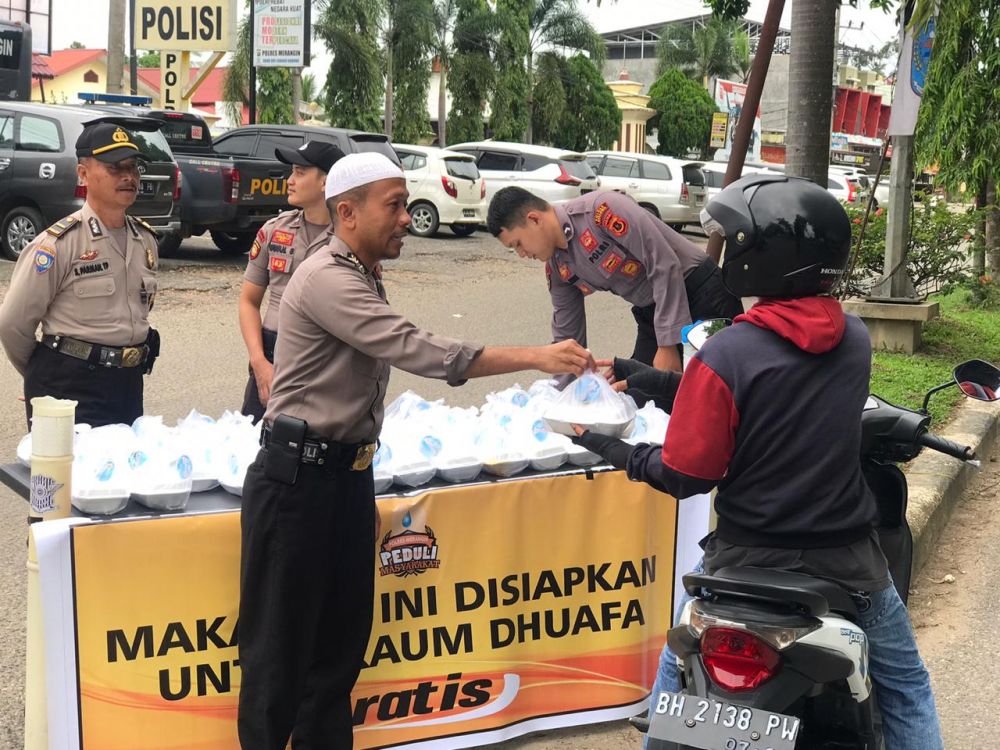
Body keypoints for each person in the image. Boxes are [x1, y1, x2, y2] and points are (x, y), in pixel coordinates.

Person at [237, 152, 595, 750]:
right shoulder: (327, 276)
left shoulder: (360, 271)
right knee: (278, 661)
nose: (407, 217)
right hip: (297, 483)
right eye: (395, 205)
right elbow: (419, 349)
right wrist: (536, 355)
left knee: (337, 658)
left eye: (406, 204)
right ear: (348, 213)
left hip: (344, 480)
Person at [572, 174, 943, 750]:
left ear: (759, 257)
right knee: (905, 685)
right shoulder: (853, 338)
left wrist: (613, 448)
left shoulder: (726, 354)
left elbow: (689, 473)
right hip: (846, 559)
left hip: (743, 557)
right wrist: (653, 379)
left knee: (673, 677)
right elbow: (776, 398)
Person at [0, 118, 160, 428]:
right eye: (115, 167)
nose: (128, 176)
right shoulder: (57, 245)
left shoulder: (146, 240)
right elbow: (12, 324)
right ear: (83, 173)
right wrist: (39, 376)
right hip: (67, 386)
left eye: (133, 167)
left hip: (127, 384)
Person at [487, 186, 743, 372]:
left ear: (534, 219)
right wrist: (567, 394)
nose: (521, 254)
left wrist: (667, 345)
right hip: (653, 313)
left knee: (716, 389)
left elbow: (663, 263)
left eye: (517, 244)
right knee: (639, 395)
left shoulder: (601, 211)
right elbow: (567, 338)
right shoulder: (557, 268)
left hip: (701, 294)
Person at [238, 140, 344, 421]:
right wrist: (259, 362)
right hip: (270, 356)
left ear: (325, 182)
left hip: (325, 358)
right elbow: (249, 302)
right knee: (254, 439)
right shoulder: (275, 230)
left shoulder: (350, 239)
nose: (289, 181)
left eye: (299, 172)